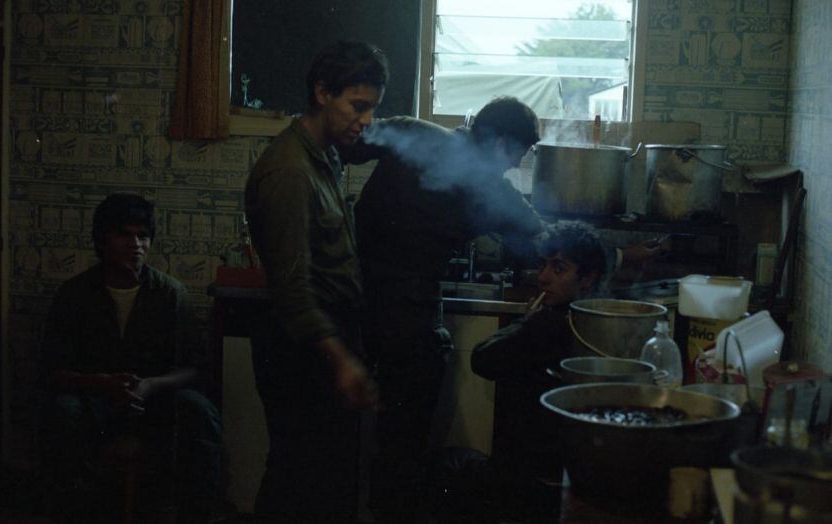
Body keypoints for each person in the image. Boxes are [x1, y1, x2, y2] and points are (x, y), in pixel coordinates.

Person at [346, 96, 547, 522]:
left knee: (344, 429)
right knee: (404, 435)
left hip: (350, 296)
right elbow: (545, 240)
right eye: (517, 154)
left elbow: (342, 144)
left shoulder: (413, 129)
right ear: (498, 142)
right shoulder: (489, 187)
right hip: (408, 314)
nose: (514, 166)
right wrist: (620, 258)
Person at [243, 40, 387, 522]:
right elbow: (292, 289)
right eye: (358, 106)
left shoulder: (326, 155)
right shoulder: (288, 170)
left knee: (323, 481)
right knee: (297, 479)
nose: (365, 120)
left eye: (372, 109)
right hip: (301, 351)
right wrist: (340, 360)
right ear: (322, 93)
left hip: (326, 341)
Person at [39, 192, 223, 523]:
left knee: (198, 409)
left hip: (153, 406)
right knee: (62, 410)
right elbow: (52, 370)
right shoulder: (75, 294)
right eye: (124, 234)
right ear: (102, 240)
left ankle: (198, 513)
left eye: (143, 236)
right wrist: (102, 384)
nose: (135, 244)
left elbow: (196, 368)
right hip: (95, 404)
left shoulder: (169, 294)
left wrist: (151, 385)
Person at [457, 220, 606, 522]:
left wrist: (526, 323)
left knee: (449, 466)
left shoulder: (546, 324)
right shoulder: (593, 321)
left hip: (525, 478)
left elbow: (482, 358)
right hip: (564, 474)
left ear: (587, 279)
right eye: (542, 265)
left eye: (559, 268)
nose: (543, 277)